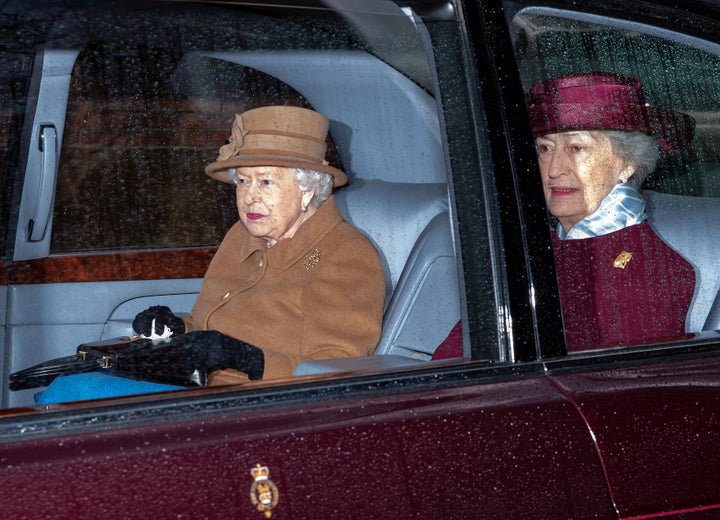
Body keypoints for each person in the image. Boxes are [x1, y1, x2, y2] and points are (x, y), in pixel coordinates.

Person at [36, 105, 385, 401]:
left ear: (308, 189)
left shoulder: (345, 254)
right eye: (243, 181)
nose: (249, 197)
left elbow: (337, 372)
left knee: (74, 394)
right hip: (195, 388)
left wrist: (245, 358)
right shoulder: (241, 236)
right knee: (66, 385)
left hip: (259, 406)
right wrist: (176, 328)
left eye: (265, 181)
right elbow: (217, 328)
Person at [433, 71, 697, 358]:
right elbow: (458, 355)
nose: (555, 169)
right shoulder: (526, 250)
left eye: (577, 148)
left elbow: (618, 385)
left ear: (627, 164)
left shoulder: (652, 271)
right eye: (545, 148)